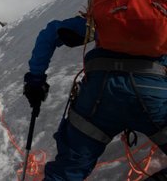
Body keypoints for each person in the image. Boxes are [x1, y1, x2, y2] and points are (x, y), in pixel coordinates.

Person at [23, 13, 167, 180]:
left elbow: (50, 34)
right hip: (152, 91)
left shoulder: (105, 14)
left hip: (98, 94)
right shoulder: (161, 17)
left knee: (67, 171)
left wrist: (35, 79)